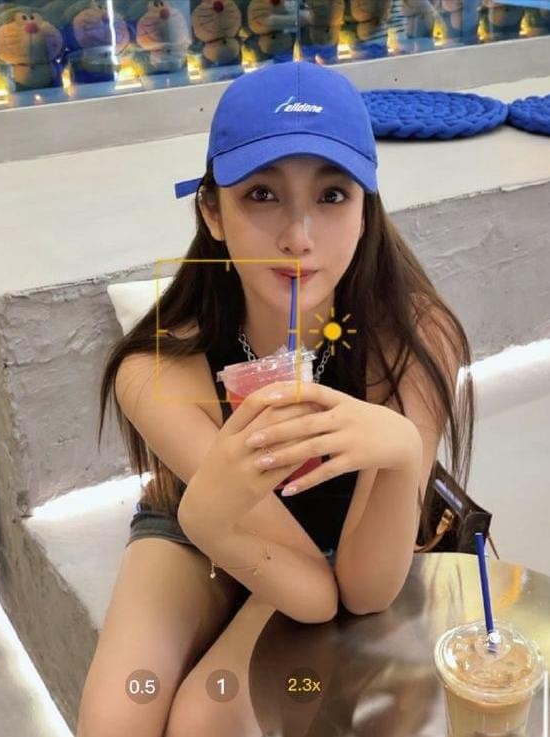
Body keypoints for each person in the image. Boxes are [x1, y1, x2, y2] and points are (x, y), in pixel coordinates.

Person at [77, 59, 475, 737]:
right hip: (207, 519)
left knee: (208, 717)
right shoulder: (159, 369)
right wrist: (206, 521)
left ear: (366, 210)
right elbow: (286, 572)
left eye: (332, 195)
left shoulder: (413, 340)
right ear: (213, 212)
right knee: (115, 719)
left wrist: (404, 455)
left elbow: (353, 590)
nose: (299, 236)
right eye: (262, 194)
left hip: (355, 533)